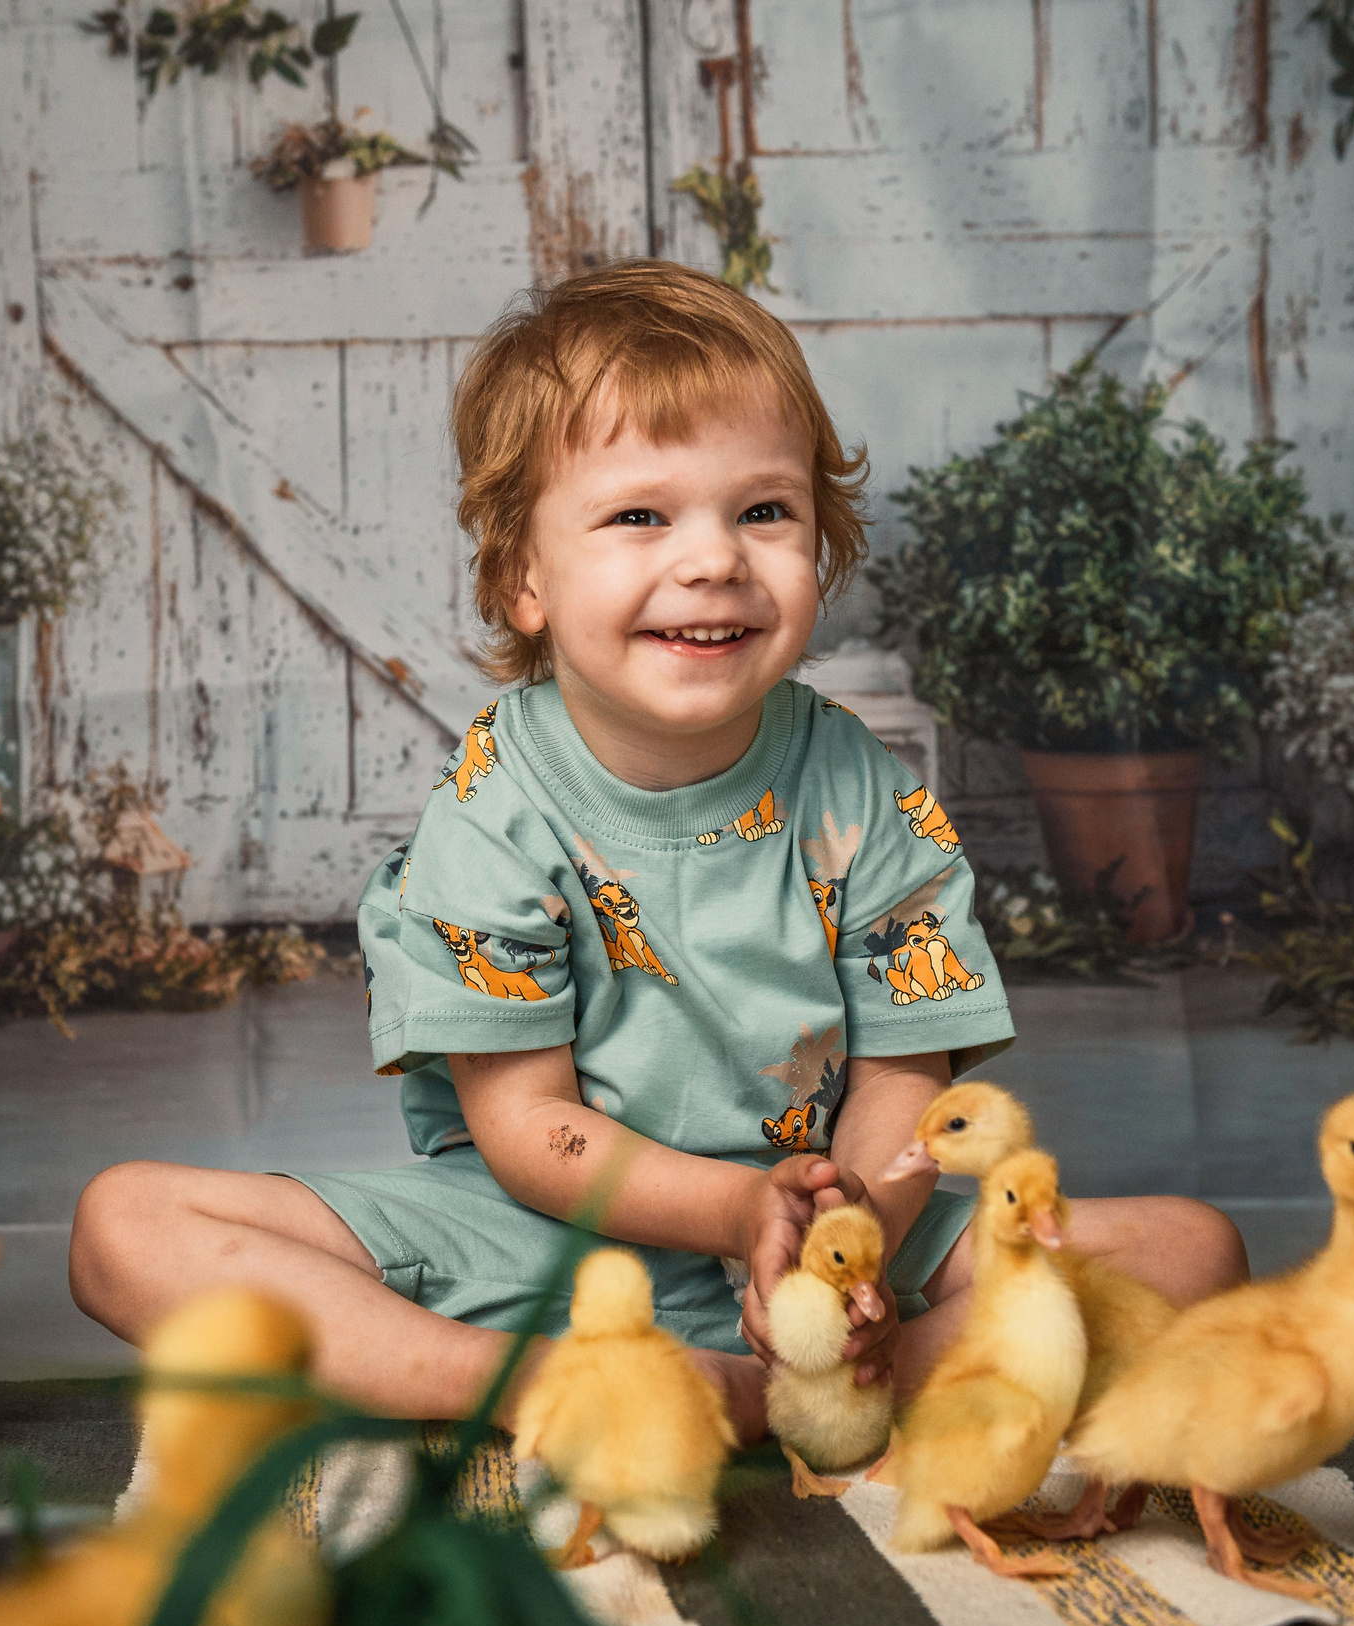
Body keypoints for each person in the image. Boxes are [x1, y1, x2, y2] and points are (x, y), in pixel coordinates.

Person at [68, 259, 1246, 1438]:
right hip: (546, 1234)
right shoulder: (492, 808)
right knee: (123, 1226)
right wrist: (734, 1208)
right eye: (640, 514)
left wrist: (840, 1253)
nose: (714, 558)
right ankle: (534, 1383)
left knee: (1189, 1248)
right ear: (522, 574)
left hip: (827, 1219)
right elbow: (530, 1126)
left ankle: (829, 1386)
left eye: (763, 511)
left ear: (819, 543)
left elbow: (901, 1081)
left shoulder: (863, 796)